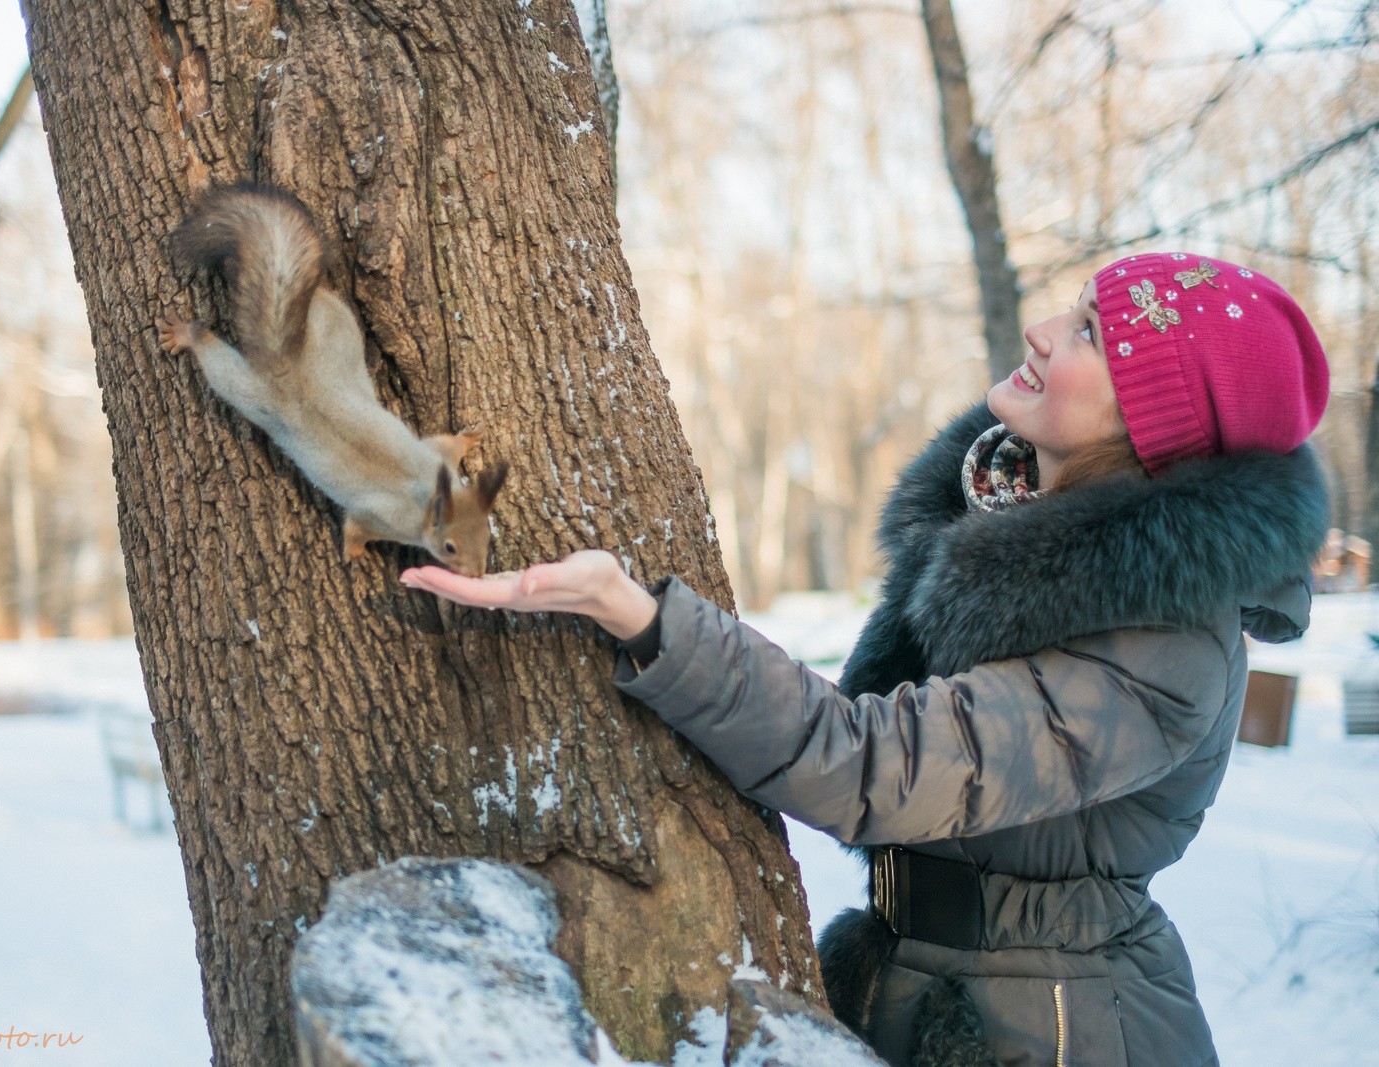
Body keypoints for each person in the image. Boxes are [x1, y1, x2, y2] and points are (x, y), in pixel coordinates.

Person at [401, 252, 1330, 1067]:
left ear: (1151, 428)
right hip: (931, 987)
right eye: (1072, 305)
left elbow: (875, 764)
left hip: (1059, 1031)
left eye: (1089, 333)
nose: (1043, 331)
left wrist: (639, 615)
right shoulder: (996, 538)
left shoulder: (1165, 644)